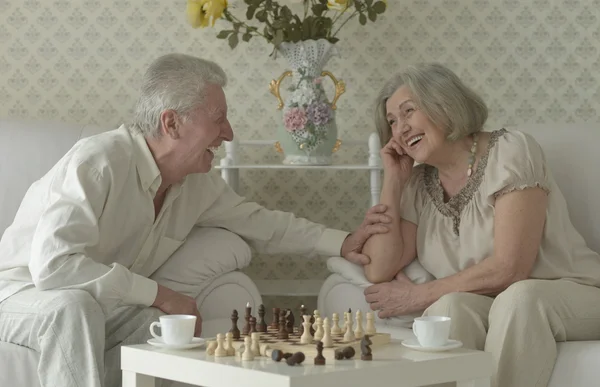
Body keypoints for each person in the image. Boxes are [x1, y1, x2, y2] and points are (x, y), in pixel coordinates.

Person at [0, 53, 391, 387]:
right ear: (172, 124)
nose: (229, 132)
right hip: (20, 294)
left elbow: (262, 222)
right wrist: (161, 294)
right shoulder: (99, 162)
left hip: (94, 301)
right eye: (218, 118)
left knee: (155, 325)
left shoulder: (195, 183)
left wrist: (341, 242)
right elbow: (54, 268)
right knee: (74, 308)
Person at [361, 63, 600, 387]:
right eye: (392, 121)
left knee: (520, 298)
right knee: (449, 307)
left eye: (408, 112)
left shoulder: (511, 150)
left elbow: (510, 268)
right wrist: (393, 180)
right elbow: (378, 269)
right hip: (496, 303)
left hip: (575, 293)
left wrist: (418, 296)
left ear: (443, 104)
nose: (400, 128)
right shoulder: (417, 184)